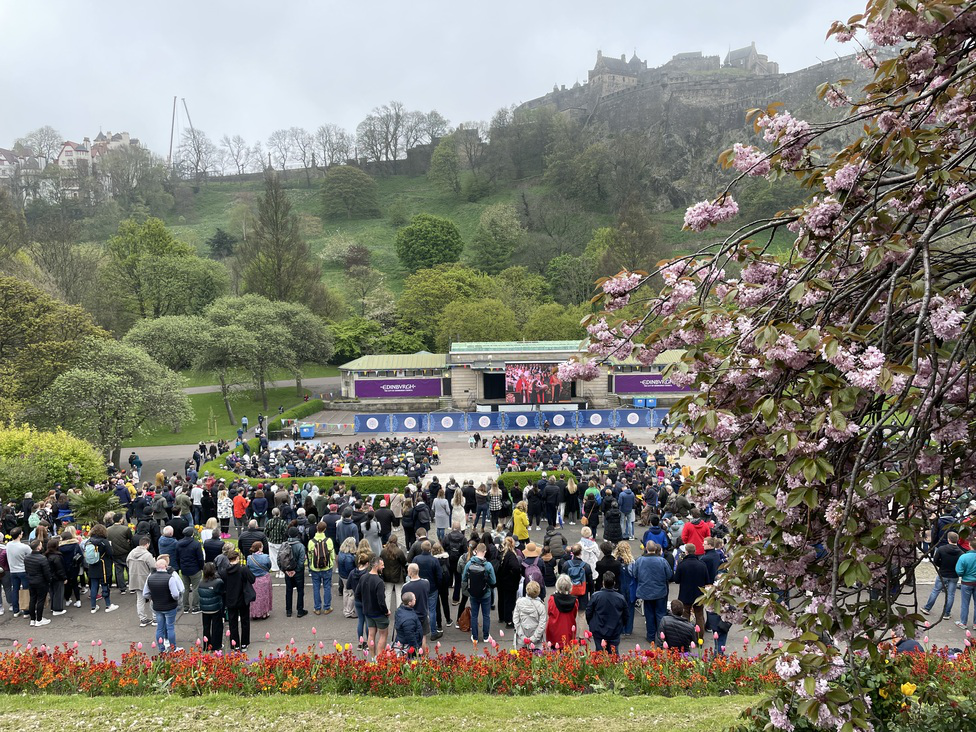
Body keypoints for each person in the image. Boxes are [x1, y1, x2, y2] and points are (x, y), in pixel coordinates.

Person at [634, 540, 673, 645]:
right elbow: (669, 575)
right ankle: (661, 636)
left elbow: (634, 573)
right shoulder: (662, 561)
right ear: (656, 549)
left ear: (646, 548)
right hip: (660, 591)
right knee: (660, 614)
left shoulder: (639, 561)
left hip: (646, 591)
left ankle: (650, 636)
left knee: (649, 614)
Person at [144, 557, 185, 652]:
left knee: (160, 628)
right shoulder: (170, 578)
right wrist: (174, 599)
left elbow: (145, 594)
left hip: (157, 606)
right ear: (166, 567)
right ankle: (173, 647)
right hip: (170, 606)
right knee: (170, 627)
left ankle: (161, 648)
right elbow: (175, 594)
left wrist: (153, 598)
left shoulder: (150, 577)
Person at [461, 543, 496, 644]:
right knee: (486, 615)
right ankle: (486, 636)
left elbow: (464, 578)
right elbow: (493, 581)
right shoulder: (488, 565)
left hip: (473, 593)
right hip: (486, 593)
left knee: (474, 615)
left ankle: (475, 637)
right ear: (485, 552)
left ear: (476, 550)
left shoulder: (469, 564)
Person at [924, 531, 964, 618]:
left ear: (948, 539)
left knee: (936, 591)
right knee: (951, 594)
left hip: (943, 573)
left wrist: (940, 566)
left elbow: (935, 560)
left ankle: (927, 608)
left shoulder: (941, 549)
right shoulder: (961, 553)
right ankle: (947, 613)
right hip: (954, 575)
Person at [220, 551, 255, 651]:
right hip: (243, 598)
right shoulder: (243, 569)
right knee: (245, 621)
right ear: (237, 558)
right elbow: (252, 579)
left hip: (230, 599)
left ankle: (235, 644)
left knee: (232, 622)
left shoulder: (224, 572)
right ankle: (244, 643)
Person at [586, 571, 628, 654]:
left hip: (599, 629)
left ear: (603, 583)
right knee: (614, 653)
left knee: (600, 653)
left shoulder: (596, 596)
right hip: (615, 630)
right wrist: (621, 626)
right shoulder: (620, 598)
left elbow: (589, 612)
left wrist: (591, 624)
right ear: (614, 583)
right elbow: (626, 615)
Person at [356, 556, 389, 658]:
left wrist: (365, 603)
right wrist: (386, 611)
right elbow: (381, 601)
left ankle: (372, 657)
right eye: (382, 565)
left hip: (368, 612)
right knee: (383, 635)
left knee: (371, 634)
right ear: (376, 565)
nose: (383, 567)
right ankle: (379, 658)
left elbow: (357, 594)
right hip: (379, 613)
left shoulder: (363, 577)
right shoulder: (379, 582)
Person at [673, 543, 709, 631]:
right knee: (699, 615)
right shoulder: (702, 564)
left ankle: (687, 635)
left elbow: (676, 580)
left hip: (685, 593)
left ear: (686, 552)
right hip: (699, 594)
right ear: (695, 551)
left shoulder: (682, 564)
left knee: (685, 615)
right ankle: (700, 637)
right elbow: (707, 580)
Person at [86, 524, 119, 614]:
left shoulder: (89, 541)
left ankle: (93, 607)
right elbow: (110, 553)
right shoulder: (104, 541)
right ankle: (108, 605)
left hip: (92, 566)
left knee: (94, 586)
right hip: (103, 566)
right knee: (105, 585)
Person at [413, 540, 443, 639]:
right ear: (430, 549)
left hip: (419, 587)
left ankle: (418, 630)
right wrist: (438, 586)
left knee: (419, 609)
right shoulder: (434, 560)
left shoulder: (416, 559)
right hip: (432, 588)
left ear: (421, 548)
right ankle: (433, 632)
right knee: (432, 610)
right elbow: (439, 576)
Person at [127, 537, 157, 627]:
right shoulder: (147, 555)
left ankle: (143, 619)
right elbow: (153, 568)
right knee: (153, 598)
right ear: (147, 544)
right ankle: (155, 618)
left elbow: (127, 563)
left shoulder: (131, 553)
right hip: (146, 579)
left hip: (135, 579)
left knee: (140, 599)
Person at [402, 562, 431, 651]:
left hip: (411, 616)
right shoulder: (426, 583)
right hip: (423, 614)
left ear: (410, 572)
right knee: (423, 637)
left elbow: (404, 601)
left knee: (411, 638)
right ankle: (424, 659)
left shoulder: (405, 587)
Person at [307, 521, 335, 615]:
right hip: (327, 567)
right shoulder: (329, 541)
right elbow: (332, 555)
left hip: (315, 568)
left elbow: (310, 556)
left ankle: (317, 608)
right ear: (325, 529)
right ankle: (327, 607)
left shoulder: (311, 542)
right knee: (327, 587)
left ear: (316, 529)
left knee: (316, 587)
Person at [24, 539, 53, 627]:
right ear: (38, 547)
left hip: (31, 581)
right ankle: (39, 619)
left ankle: (32, 619)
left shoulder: (27, 557)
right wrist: (49, 580)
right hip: (41, 582)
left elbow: (26, 570)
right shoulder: (42, 558)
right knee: (40, 600)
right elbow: (46, 572)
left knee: (32, 599)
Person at [198, 562, 225, 652]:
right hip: (215, 608)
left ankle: (206, 645)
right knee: (217, 627)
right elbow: (222, 592)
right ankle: (216, 645)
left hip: (205, 609)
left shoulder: (201, 582)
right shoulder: (218, 582)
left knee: (206, 627)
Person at [176, 527, 204, 614]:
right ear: (192, 534)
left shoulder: (178, 544)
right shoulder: (196, 544)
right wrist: (201, 567)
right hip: (195, 569)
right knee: (196, 588)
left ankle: (185, 607)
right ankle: (195, 607)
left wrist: (180, 566)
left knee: (186, 588)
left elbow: (177, 557)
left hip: (184, 569)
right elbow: (200, 558)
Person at [546, 574, 579, 648]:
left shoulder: (552, 599)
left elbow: (549, 612)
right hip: (568, 629)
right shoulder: (575, 601)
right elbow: (574, 614)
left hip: (555, 630)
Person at [512, 580, 547, 648]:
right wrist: (534, 637)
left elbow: (516, 620)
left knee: (522, 657)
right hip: (536, 641)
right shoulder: (541, 606)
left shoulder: (519, 603)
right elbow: (542, 624)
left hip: (521, 640)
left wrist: (522, 636)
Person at [497, 536, 522, 628]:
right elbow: (515, 567)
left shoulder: (501, 553)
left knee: (501, 599)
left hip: (500, 580)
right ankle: (509, 621)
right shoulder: (511, 555)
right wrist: (514, 575)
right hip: (509, 582)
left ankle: (502, 617)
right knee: (509, 601)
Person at [6, 528, 31, 617]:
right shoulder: (24, 547)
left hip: (13, 570)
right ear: (20, 535)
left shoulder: (8, 545)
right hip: (23, 570)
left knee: (15, 590)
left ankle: (15, 610)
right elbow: (30, 556)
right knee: (25, 590)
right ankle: (26, 611)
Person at [246, 541, 273, 619]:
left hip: (254, 579)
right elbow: (269, 566)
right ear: (260, 548)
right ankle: (264, 613)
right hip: (264, 578)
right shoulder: (265, 557)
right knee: (265, 596)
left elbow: (248, 567)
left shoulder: (249, 558)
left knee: (255, 597)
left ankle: (254, 613)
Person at [394, 591, 424, 656]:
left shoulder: (400, 610)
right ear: (410, 603)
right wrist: (416, 648)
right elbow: (410, 635)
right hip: (408, 646)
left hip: (401, 640)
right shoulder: (409, 619)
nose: (415, 600)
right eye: (414, 599)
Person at [45, 538, 68, 616]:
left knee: (52, 592)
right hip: (57, 578)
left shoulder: (46, 556)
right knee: (59, 592)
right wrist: (64, 578)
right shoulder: (57, 557)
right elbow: (60, 569)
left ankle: (53, 607)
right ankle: (57, 609)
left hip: (50, 577)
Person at [337, 537, 358, 618]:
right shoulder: (349, 558)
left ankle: (345, 609)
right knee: (352, 594)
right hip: (349, 577)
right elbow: (350, 570)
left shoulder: (341, 553)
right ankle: (349, 611)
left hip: (342, 576)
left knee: (346, 592)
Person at [957, 542, 976, 629]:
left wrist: (964, 574)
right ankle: (975, 624)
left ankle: (963, 622)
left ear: (969, 546)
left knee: (965, 603)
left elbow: (959, 571)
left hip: (967, 582)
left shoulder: (964, 557)